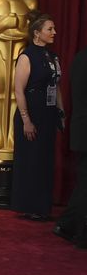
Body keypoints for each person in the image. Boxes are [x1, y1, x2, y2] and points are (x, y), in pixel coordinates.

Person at [11, 11, 64, 221]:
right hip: (31, 111)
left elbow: (56, 87)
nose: (54, 32)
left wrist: (61, 112)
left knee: (44, 159)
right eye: (49, 29)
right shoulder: (26, 56)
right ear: (36, 33)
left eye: (53, 29)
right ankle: (28, 205)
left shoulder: (53, 56)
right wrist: (26, 120)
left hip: (48, 113)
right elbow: (18, 90)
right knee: (31, 159)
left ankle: (41, 206)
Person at [55, 47, 87, 247]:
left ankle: (67, 225)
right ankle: (78, 233)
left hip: (80, 128)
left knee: (84, 183)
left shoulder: (79, 58)